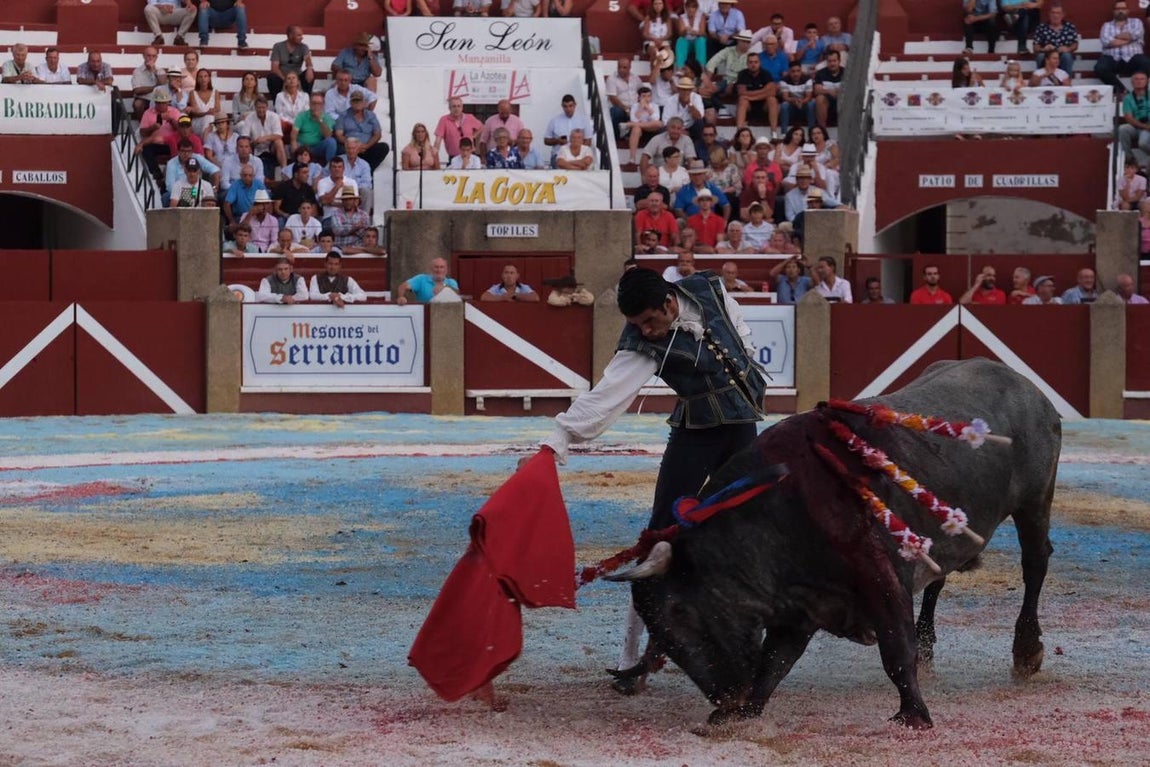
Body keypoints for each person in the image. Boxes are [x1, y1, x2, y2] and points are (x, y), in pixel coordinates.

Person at [535, 266, 766, 693]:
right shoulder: (640, 345)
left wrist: (747, 357)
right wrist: (560, 437)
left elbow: (740, 330)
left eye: (650, 321)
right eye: (637, 324)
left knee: (750, 534)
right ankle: (631, 656)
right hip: (695, 435)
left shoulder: (710, 290)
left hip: (742, 427)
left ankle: (748, 644)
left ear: (668, 302)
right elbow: (606, 397)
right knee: (658, 540)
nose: (646, 331)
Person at [700, 29, 753, 125]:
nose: (746, 44)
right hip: (727, 80)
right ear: (738, 41)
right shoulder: (728, 51)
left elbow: (748, 74)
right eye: (744, 41)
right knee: (706, 91)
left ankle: (725, 109)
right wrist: (707, 81)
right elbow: (712, 63)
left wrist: (734, 84)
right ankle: (721, 108)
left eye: (748, 42)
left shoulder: (751, 55)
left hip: (742, 83)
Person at [1096, 0, 1148, 95]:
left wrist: (1116, 37)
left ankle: (1140, 91)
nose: (1120, 11)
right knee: (1100, 68)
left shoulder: (1136, 22)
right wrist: (1130, 39)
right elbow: (1107, 42)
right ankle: (1123, 91)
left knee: (1146, 63)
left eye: (1123, 9)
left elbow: (1136, 34)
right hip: (1112, 59)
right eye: (1117, 9)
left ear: (1128, 10)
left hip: (1133, 58)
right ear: (1113, 11)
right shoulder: (1106, 25)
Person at [335, 91, 388, 171]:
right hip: (349, 147)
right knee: (340, 149)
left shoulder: (371, 115)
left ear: (364, 103)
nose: (357, 103)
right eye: (354, 101)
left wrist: (366, 146)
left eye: (359, 101)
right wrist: (353, 145)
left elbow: (377, 134)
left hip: (366, 148)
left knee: (383, 147)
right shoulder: (343, 116)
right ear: (350, 103)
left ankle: (367, 170)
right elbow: (339, 135)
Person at [240, 96, 287, 181]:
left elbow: (279, 135)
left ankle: (284, 171)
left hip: (271, 147)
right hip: (255, 147)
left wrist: (265, 138)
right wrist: (254, 142)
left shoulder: (274, 116)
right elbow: (244, 137)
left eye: (263, 107)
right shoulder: (249, 118)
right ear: (255, 107)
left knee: (279, 142)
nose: (261, 110)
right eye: (259, 107)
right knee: (245, 145)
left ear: (267, 107)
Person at [545, 94, 595, 168]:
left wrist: (578, 152)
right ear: (562, 106)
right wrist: (557, 141)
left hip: (580, 156)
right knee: (560, 162)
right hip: (559, 155)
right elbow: (546, 140)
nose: (568, 109)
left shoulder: (584, 120)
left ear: (575, 105)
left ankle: (571, 166)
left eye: (570, 106)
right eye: (565, 106)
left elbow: (588, 141)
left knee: (586, 161)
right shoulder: (554, 121)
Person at [734, 47, 777, 131]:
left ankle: (774, 133)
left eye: (756, 62)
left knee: (772, 100)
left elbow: (772, 92)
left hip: (764, 106)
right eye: (750, 62)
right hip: (749, 106)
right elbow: (741, 92)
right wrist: (763, 92)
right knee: (742, 100)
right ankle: (738, 132)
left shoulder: (766, 73)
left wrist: (751, 96)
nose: (753, 65)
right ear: (747, 63)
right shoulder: (742, 74)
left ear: (760, 63)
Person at [268, 25, 315, 99]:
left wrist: (309, 68)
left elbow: (308, 60)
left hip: (297, 76)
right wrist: (286, 80)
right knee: (272, 77)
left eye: (302, 35)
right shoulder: (278, 46)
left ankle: (307, 100)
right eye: (299, 35)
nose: (302, 37)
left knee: (310, 72)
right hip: (282, 76)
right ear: (290, 35)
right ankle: (276, 101)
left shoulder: (304, 47)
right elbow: (274, 68)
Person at [293, 93, 338, 165]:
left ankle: (330, 166)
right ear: (310, 104)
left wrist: (320, 120)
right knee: (296, 144)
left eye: (319, 103)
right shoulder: (302, 116)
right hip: (303, 146)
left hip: (317, 147)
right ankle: (298, 166)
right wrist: (295, 152)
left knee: (331, 141)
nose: (316, 106)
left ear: (323, 105)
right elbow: (294, 136)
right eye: (314, 103)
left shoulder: (327, 118)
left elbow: (328, 135)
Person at [1032, 4, 1079, 74]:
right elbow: (1035, 47)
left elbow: (1075, 44)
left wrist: (1068, 49)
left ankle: (1065, 81)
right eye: (1053, 13)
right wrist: (1043, 49)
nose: (1055, 15)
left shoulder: (1070, 27)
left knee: (1067, 56)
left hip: (1062, 55)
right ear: (1049, 14)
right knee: (1040, 56)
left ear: (1063, 14)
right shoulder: (1041, 27)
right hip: (1047, 55)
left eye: (1058, 13)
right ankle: (1044, 80)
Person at [434, 97, 483, 161]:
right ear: (449, 108)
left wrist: (474, 136)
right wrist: (435, 154)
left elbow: (481, 127)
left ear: (462, 107)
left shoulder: (469, 117)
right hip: (454, 157)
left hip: (470, 156)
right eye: (454, 106)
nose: (456, 109)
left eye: (458, 106)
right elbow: (438, 140)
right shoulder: (444, 120)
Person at [623, 86, 663, 166]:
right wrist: (641, 108)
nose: (646, 98)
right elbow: (634, 119)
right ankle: (632, 158)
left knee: (659, 123)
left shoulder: (654, 106)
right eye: (643, 96)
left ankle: (628, 124)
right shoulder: (635, 106)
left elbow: (655, 119)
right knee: (636, 128)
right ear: (639, 97)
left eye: (648, 96)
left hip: (652, 130)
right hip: (640, 131)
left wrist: (647, 108)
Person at [606, 57, 643, 141]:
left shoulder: (635, 78)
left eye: (624, 67)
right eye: (619, 67)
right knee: (616, 111)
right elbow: (613, 98)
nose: (621, 70)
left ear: (630, 68)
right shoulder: (612, 79)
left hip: (634, 108)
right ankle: (617, 137)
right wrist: (626, 109)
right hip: (621, 108)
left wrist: (639, 106)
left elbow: (642, 92)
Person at [1119, 71, 1150, 169]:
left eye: (1142, 79)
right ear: (1132, 82)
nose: (1139, 81)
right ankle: (1130, 160)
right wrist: (1145, 126)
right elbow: (1129, 118)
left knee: (1143, 143)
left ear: (1147, 81)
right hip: (1138, 126)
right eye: (1136, 79)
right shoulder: (1128, 98)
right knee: (1122, 129)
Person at [223, 163, 265, 229]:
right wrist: (231, 221)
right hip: (239, 216)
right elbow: (227, 204)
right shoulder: (235, 184)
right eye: (245, 175)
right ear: (241, 176)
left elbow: (266, 203)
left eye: (250, 175)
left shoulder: (259, 184)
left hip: (257, 216)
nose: (247, 177)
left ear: (254, 176)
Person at [776, 61, 814, 134]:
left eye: (798, 71)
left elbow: (809, 97)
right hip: (792, 105)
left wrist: (801, 102)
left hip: (804, 105)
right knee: (784, 105)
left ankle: (811, 132)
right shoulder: (784, 80)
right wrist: (795, 101)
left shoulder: (808, 79)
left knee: (811, 104)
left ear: (801, 71)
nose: (796, 74)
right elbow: (785, 97)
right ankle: (784, 134)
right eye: (793, 71)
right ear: (789, 72)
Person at [812, 50, 844, 128]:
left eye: (834, 61)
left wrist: (839, 92)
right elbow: (817, 90)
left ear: (839, 61)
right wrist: (829, 91)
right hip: (827, 102)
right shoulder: (820, 73)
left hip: (843, 101)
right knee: (820, 98)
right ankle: (822, 130)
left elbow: (851, 89)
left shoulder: (846, 73)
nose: (832, 63)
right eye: (829, 61)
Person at [342, 137, 375, 215]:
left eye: (353, 148)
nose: (351, 151)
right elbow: (327, 175)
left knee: (366, 191)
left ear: (358, 149)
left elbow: (367, 183)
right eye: (348, 148)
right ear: (345, 149)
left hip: (357, 191)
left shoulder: (364, 165)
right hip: (341, 189)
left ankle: (364, 219)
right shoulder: (339, 160)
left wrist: (353, 188)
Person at [187, 68, 222, 136]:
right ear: (197, 79)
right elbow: (195, 112)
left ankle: (207, 141)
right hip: (198, 122)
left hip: (212, 121)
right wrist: (206, 113)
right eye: (200, 77)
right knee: (208, 118)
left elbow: (218, 109)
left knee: (209, 118)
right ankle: (207, 142)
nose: (203, 79)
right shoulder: (193, 93)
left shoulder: (215, 92)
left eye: (205, 76)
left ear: (209, 78)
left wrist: (207, 113)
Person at [129, 46, 162, 119]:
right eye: (148, 55)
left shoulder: (160, 71)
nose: (151, 58)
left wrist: (154, 71)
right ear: (143, 56)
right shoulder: (137, 71)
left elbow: (163, 84)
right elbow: (137, 90)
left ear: (156, 57)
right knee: (138, 104)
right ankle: (143, 126)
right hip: (144, 99)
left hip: (159, 99)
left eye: (153, 56)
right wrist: (154, 87)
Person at [675, 0, 708, 69]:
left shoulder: (701, 17)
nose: (690, 9)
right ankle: (680, 67)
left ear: (696, 9)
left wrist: (695, 32)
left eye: (693, 7)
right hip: (686, 42)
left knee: (701, 40)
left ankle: (701, 67)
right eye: (688, 7)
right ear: (686, 8)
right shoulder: (681, 17)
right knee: (680, 40)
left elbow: (703, 33)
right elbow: (680, 34)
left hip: (697, 41)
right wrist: (685, 30)